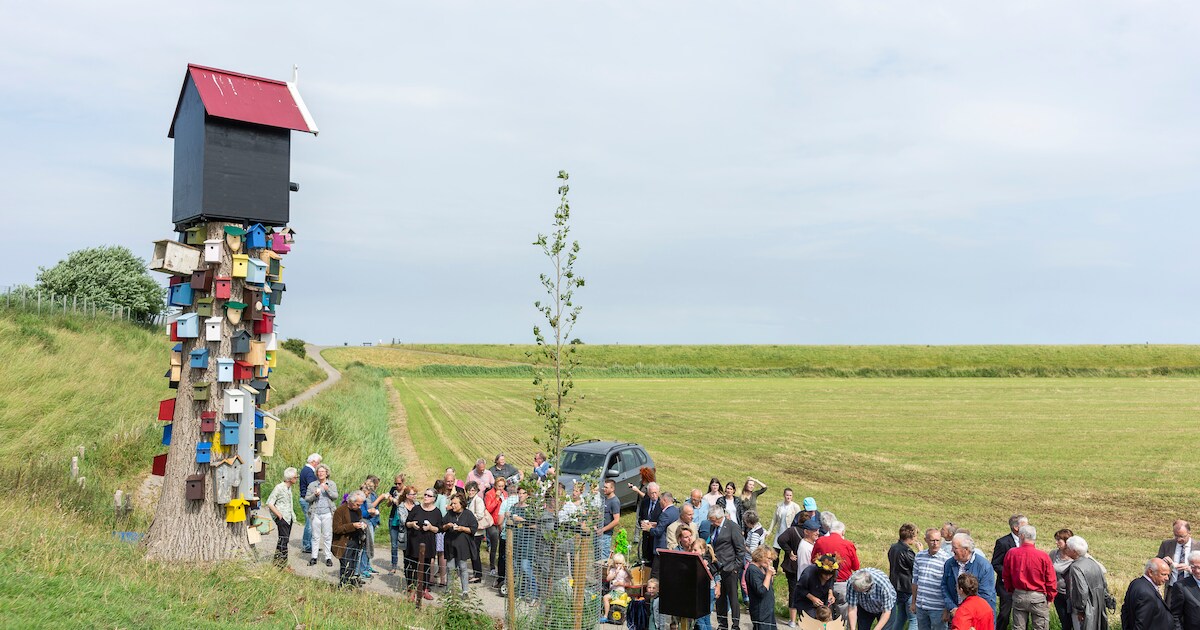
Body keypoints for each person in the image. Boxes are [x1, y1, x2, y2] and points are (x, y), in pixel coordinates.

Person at [1002, 525, 1055, 630]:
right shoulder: (1043, 556)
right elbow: (1050, 579)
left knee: (1018, 627)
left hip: (1019, 595)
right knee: (1041, 627)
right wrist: (1050, 597)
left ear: (1021, 536)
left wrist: (1011, 590)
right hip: (1038, 596)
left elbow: (1006, 575)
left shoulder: (1012, 553)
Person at [810, 520, 861, 620]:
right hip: (842, 583)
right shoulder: (848, 544)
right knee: (842, 614)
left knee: (824, 614)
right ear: (843, 532)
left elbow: (813, 560)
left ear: (829, 530)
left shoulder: (820, 541)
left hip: (823, 582)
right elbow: (856, 566)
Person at [941, 533, 997, 623]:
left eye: (955, 548)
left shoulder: (984, 566)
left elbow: (985, 595)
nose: (951, 550)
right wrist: (952, 608)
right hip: (955, 616)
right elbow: (944, 586)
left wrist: (964, 611)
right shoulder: (949, 564)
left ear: (965, 550)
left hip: (977, 618)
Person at [710, 506, 748, 630]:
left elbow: (740, 549)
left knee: (733, 598)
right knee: (720, 598)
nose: (711, 522)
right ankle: (722, 624)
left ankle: (735, 625)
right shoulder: (713, 527)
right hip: (717, 568)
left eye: (713, 520)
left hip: (731, 568)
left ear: (720, 517)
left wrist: (735, 567)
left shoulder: (732, 527)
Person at [405, 488, 444, 601]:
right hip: (414, 541)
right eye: (425, 494)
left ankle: (424, 590)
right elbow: (406, 523)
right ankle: (412, 590)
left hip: (428, 542)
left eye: (429, 495)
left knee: (426, 566)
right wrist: (412, 524)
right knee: (413, 566)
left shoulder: (437, 512)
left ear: (434, 499)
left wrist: (431, 528)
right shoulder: (416, 508)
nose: (426, 497)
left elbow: (439, 529)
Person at [912, 527, 953, 630]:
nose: (935, 543)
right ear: (925, 540)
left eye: (937, 540)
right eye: (932, 540)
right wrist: (913, 602)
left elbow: (950, 586)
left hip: (938, 608)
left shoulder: (947, 560)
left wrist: (946, 609)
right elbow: (915, 581)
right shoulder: (919, 556)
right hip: (921, 606)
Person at [1063, 536, 1107, 630]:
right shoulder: (1093, 563)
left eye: (1067, 548)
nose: (1065, 550)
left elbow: (1081, 590)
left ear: (1074, 551)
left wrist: (1080, 610)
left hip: (1086, 609)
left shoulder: (1076, 567)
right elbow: (1104, 584)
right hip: (1098, 604)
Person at [993, 514, 1028, 630]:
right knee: (1004, 614)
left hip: (1023, 586)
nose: (1028, 528)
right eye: (1025, 525)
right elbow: (996, 564)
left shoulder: (1028, 542)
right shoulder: (1002, 542)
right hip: (1006, 586)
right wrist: (1011, 573)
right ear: (1016, 527)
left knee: (1023, 616)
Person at [442, 493, 478, 597]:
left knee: (463, 567)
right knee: (450, 567)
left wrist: (462, 528)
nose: (452, 505)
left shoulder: (468, 514)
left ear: (461, 503)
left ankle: (465, 591)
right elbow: (442, 526)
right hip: (450, 544)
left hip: (462, 546)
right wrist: (447, 526)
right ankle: (449, 590)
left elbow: (473, 529)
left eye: (455, 503)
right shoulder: (449, 514)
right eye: (451, 503)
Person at [1121, 557, 1171, 630]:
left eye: (1168, 575)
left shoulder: (1136, 583)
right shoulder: (1147, 594)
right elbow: (1141, 625)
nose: (1167, 578)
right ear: (1150, 572)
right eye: (1163, 574)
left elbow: (1125, 611)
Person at [332, 490, 368, 588]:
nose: (359, 507)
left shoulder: (358, 511)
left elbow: (360, 521)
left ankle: (349, 586)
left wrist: (362, 525)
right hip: (344, 542)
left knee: (352, 565)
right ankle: (342, 586)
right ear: (351, 502)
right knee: (346, 566)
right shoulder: (340, 511)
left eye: (361, 505)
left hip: (356, 541)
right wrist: (352, 526)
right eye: (357, 504)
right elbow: (336, 529)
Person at [774, 513, 804, 627]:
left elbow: (781, 539)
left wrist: (789, 551)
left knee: (793, 592)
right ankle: (803, 618)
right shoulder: (809, 533)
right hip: (804, 566)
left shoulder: (792, 530)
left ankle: (792, 620)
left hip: (792, 566)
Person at [304, 464, 338, 567]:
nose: (320, 473)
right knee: (315, 536)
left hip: (327, 513)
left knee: (327, 535)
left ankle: (328, 557)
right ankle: (314, 557)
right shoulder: (312, 485)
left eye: (322, 471)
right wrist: (315, 495)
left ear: (326, 473)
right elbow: (307, 499)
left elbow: (335, 496)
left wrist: (327, 489)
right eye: (319, 472)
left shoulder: (331, 484)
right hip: (315, 513)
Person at [265, 466, 298, 568]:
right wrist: (279, 515)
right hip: (282, 518)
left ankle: (278, 562)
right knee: (283, 540)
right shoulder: (279, 487)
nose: (296, 479)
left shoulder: (289, 488)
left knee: (284, 540)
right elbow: (270, 503)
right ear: (290, 478)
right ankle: (281, 564)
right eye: (295, 477)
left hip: (289, 517)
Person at [794, 553, 841, 622]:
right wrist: (812, 598)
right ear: (820, 571)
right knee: (811, 623)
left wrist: (830, 593)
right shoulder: (808, 574)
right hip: (805, 602)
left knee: (826, 621)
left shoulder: (833, 573)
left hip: (822, 601)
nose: (827, 577)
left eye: (830, 575)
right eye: (825, 574)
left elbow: (831, 583)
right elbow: (799, 588)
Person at [888, 524, 918, 630]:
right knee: (914, 619)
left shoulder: (893, 547)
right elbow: (917, 567)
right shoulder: (907, 552)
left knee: (900, 617)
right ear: (911, 536)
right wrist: (920, 552)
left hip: (895, 586)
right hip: (907, 588)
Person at [646, 491, 679, 578]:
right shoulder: (676, 511)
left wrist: (649, 529)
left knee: (655, 573)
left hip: (661, 547)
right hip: (672, 545)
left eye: (660, 500)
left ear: (664, 500)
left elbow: (658, 532)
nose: (659, 502)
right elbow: (667, 525)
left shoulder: (665, 514)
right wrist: (656, 524)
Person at [358, 475, 385, 579]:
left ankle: (366, 567)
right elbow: (362, 512)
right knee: (365, 547)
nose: (369, 494)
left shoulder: (366, 496)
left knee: (368, 546)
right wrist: (370, 512)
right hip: (366, 522)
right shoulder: (362, 498)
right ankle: (362, 569)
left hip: (370, 521)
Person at [1158, 519, 1193, 599]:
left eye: (1181, 536)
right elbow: (1155, 564)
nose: (1178, 539)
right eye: (1176, 535)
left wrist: (1190, 569)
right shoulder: (1166, 544)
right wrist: (1162, 561)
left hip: (1192, 589)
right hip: (1172, 588)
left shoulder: (1198, 546)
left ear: (1189, 533)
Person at [746, 546, 779, 629]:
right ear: (760, 556)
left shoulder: (762, 568)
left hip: (768, 609)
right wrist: (768, 575)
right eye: (768, 558)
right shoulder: (752, 570)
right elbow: (761, 591)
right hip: (760, 611)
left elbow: (769, 585)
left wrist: (771, 575)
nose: (770, 562)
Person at [1048, 529, 1075, 630]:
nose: (1056, 542)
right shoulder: (1054, 554)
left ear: (1067, 541)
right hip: (1058, 594)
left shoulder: (1075, 554)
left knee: (1075, 623)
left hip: (1072, 595)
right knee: (1065, 623)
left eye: (1059, 540)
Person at [768, 489, 801, 570]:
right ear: (784, 495)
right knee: (775, 552)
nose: (788, 497)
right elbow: (774, 519)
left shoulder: (795, 507)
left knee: (788, 552)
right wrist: (769, 530)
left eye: (790, 495)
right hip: (779, 532)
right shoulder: (779, 505)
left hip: (789, 533)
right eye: (787, 495)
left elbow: (799, 520)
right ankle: (774, 569)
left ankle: (786, 569)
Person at [465, 481, 491, 582]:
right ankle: (476, 573)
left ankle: (478, 575)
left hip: (477, 531)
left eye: (473, 490)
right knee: (473, 553)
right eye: (469, 490)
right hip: (471, 530)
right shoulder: (469, 500)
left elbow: (479, 515)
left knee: (475, 553)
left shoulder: (478, 500)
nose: (471, 492)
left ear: (476, 491)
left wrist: (468, 517)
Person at [485, 476, 510, 580]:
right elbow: (488, 509)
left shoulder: (505, 494)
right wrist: (496, 498)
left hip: (502, 523)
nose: (501, 488)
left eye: (503, 486)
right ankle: (492, 566)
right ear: (495, 485)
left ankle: (502, 565)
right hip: (492, 522)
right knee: (494, 543)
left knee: (503, 544)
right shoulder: (489, 494)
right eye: (499, 486)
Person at [1169, 550, 1200, 630]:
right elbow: (1175, 616)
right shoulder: (1181, 586)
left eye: (1199, 567)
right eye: (1193, 567)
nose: (1197, 571)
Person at [389, 485, 415, 579]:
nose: (415, 496)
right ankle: (394, 566)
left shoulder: (417, 505)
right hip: (401, 530)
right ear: (407, 495)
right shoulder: (401, 506)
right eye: (413, 494)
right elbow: (403, 520)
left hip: (414, 535)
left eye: (399, 483)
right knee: (395, 546)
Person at [634, 482, 663, 563]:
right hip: (645, 536)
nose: (653, 495)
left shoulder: (661, 504)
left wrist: (653, 525)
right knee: (646, 557)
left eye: (655, 493)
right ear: (648, 493)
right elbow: (640, 517)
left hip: (655, 536)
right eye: (651, 493)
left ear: (658, 492)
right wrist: (642, 523)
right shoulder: (645, 502)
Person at [299, 453, 321, 555]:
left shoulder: (305, 470)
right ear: (313, 462)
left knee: (311, 522)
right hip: (307, 499)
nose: (319, 465)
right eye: (318, 462)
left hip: (305, 498)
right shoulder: (309, 472)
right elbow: (312, 486)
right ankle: (307, 545)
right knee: (310, 523)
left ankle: (311, 545)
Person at [602, 553, 633, 624]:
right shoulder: (613, 570)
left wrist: (621, 583)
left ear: (623, 564)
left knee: (605, 598)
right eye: (616, 563)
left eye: (620, 563)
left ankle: (605, 616)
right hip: (613, 590)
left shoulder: (624, 572)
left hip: (618, 591)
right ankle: (606, 610)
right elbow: (608, 578)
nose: (618, 565)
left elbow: (629, 583)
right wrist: (615, 574)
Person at [596, 479, 621, 560]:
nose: (604, 489)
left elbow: (616, 520)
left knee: (603, 560)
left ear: (612, 489)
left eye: (606, 487)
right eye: (604, 487)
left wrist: (602, 530)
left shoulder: (614, 501)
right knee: (596, 559)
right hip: (598, 533)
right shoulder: (605, 499)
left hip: (605, 536)